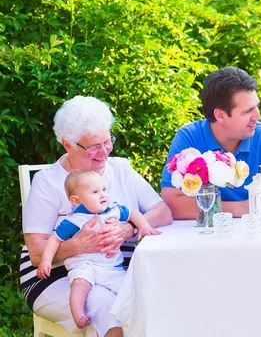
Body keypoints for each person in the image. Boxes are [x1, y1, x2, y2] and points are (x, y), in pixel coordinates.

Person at [21, 96, 173, 337]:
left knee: (156, 301)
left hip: (117, 268)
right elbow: (37, 254)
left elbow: (162, 211)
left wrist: (129, 229)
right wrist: (80, 245)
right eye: (93, 146)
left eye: (107, 142)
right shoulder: (48, 182)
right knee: (109, 310)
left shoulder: (121, 168)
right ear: (67, 144)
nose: (104, 153)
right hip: (57, 274)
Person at [161, 66, 261, 218]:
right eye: (247, 111)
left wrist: (215, 208)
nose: (258, 116)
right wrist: (242, 208)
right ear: (220, 115)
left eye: (257, 107)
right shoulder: (189, 138)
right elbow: (171, 204)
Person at [36, 170, 161, 329]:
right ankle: (79, 314)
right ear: (76, 201)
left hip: (112, 267)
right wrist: (46, 260)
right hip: (84, 266)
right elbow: (54, 239)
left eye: (104, 189)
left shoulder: (113, 210)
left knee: (128, 290)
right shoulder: (74, 221)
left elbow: (132, 213)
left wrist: (144, 226)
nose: (103, 195)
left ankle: (137, 323)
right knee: (79, 285)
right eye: (95, 192)